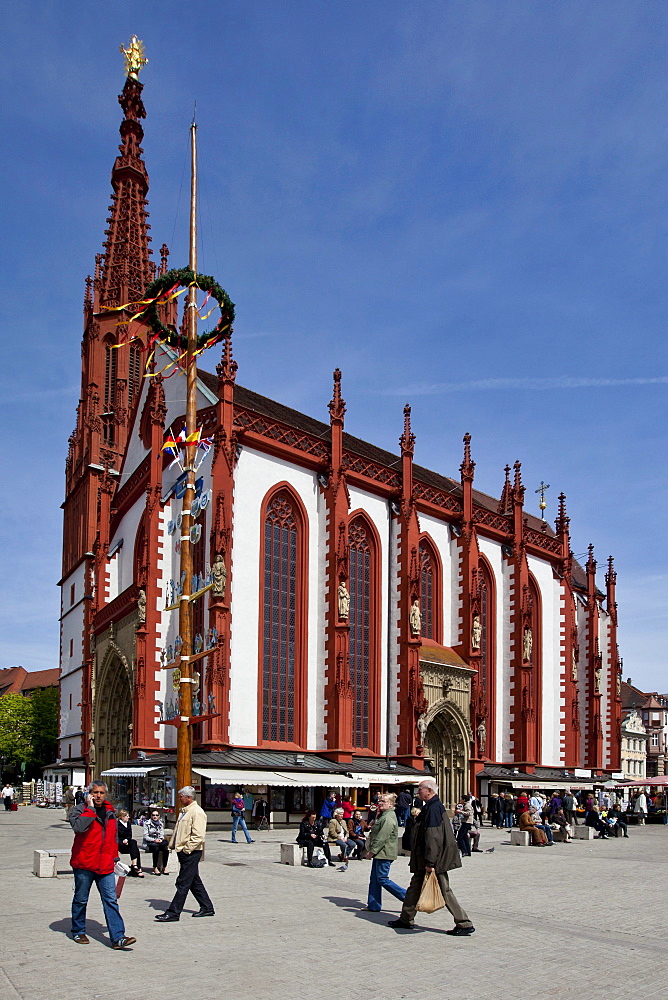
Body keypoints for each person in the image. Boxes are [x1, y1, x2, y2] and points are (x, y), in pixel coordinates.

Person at [389, 778, 474, 935]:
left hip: (433, 859)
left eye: (420, 789)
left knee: (444, 889)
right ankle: (405, 918)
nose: (418, 791)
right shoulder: (431, 806)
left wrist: (431, 862)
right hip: (424, 858)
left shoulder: (433, 808)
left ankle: (464, 923)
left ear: (429, 791)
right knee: (414, 888)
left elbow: (433, 837)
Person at [68, 780, 136, 949]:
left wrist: (115, 857)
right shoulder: (78, 810)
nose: (98, 796)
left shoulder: (111, 813)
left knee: (111, 900)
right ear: (89, 793)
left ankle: (118, 937)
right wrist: (90, 810)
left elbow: (113, 838)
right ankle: (78, 930)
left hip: (105, 864)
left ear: (106, 794)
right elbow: (79, 828)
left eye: (101, 793)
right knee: (81, 899)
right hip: (84, 863)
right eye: (95, 792)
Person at [156, 786, 214, 921]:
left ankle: (173, 912)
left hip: (191, 852)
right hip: (183, 851)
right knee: (194, 881)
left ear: (189, 797)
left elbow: (198, 835)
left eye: (181, 796)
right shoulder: (184, 811)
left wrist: (187, 849)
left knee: (183, 883)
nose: (180, 799)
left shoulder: (197, 812)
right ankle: (207, 907)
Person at [364, 792, 406, 912]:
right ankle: (373, 905)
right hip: (380, 852)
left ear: (391, 804)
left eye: (383, 802)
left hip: (385, 852)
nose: (380, 804)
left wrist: (371, 852)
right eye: (380, 801)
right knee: (375, 879)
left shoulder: (388, 817)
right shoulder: (383, 815)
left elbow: (382, 837)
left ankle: (407, 897)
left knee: (382, 878)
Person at [116, 809, 144, 876]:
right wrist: (122, 841)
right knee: (135, 848)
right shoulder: (117, 824)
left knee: (134, 844)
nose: (128, 817)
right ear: (122, 817)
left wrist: (127, 840)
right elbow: (116, 837)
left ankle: (135, 865)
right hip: (120, 844)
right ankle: (137, 868)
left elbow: (129, 835)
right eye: (126, 816)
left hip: (128, 843)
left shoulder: (128, 823)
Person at [144, 808, 170, 874]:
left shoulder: (160, 823)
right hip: (151, 841)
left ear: (159, 816)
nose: (155, 816)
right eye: (153, 815)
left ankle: (164, 867)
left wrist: (160, 839)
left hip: (159, 842)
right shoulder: (147, 823)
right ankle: (155, 867)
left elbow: (162, 834)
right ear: (151, 816)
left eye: (156, 815)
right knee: (156, 848)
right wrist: (154, 840)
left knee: (165, 849)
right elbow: (146, 836)